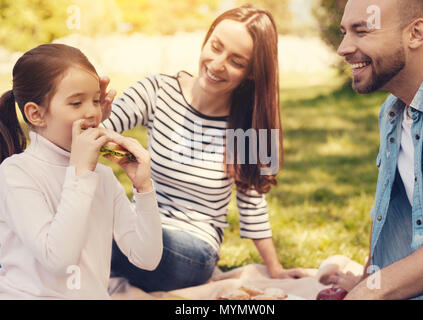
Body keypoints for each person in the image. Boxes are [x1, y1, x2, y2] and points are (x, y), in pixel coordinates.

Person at [100, 5, 311, 292]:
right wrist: (97, 118)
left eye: (236, 61)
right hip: (137, 228)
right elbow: (95, 136)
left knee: (100, 233)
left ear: (251, 73)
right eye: (216, 47)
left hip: (191, 253)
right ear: (207, 39)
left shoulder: (247, 126)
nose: (217, 64)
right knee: (94, 219)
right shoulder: (157, 92)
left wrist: (274, 269)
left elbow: (252, 205)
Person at [0, 43, 163, 299]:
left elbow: (147, 258)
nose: (93, 112)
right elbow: (58, 260)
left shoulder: (103, 177)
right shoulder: (16, 173)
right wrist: (80, 173)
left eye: (96, 100)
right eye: (76, 103)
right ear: (36, 114)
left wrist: (143, 188)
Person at [329, 0, 423, 299]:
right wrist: (366, 278)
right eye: (344, 32)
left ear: (416, 33)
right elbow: (393, 208)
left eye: (361, 31)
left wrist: (376, 290)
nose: (343, 48)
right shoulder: (393, 112)